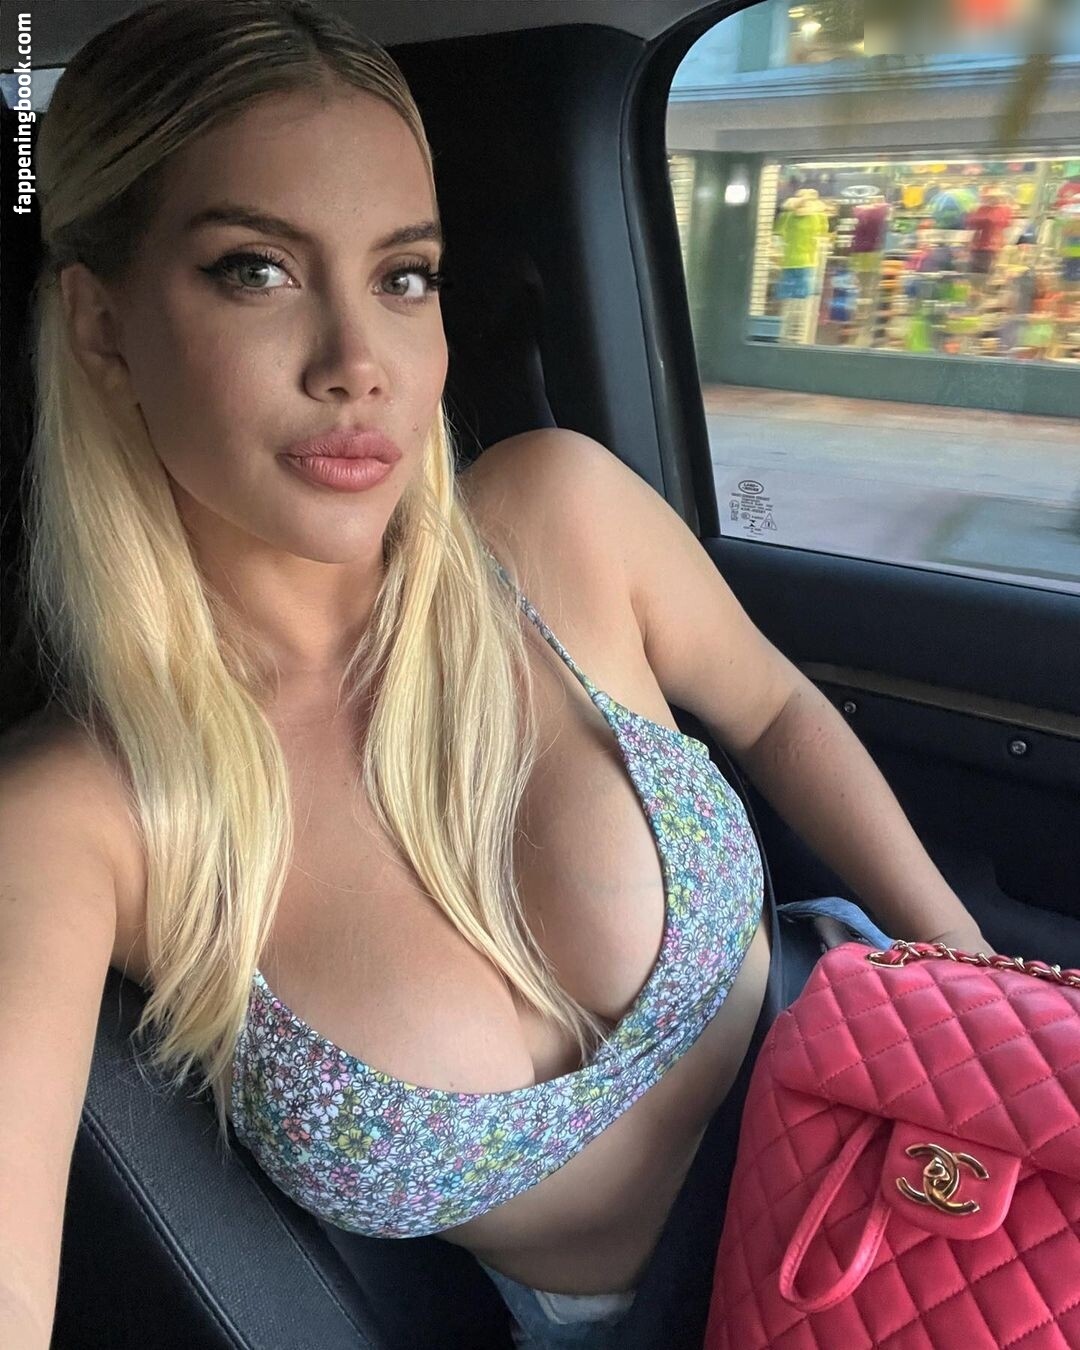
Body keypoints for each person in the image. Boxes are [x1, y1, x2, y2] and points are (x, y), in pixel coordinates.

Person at [0, 2, 990, 1348]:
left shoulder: (556, 514)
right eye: (257, 270)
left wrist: (977, 984)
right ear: (104, 329)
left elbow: (774, 707)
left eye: (404, 276)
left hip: (920, 1117)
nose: (359, 364)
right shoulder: (84, 816)